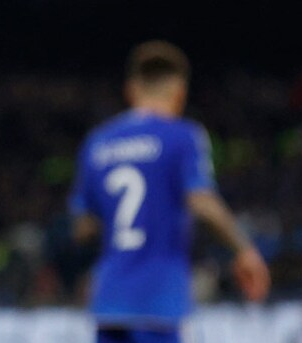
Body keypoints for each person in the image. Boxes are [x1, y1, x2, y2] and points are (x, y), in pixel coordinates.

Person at [69, 41, 271, 343]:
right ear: (179, 93)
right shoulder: (183, 137)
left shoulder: (97, 143)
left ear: (131, 91)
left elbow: (82, 229)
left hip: (110, 300)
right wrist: (244, 250)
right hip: (158, 300)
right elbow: (201, 202)